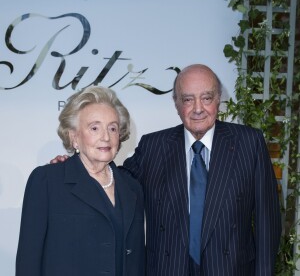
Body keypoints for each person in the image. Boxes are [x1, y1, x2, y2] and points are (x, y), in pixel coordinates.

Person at [52, 64, 282, 275]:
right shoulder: (154, 146)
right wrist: (78, 166)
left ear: (219, 99)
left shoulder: (248, 143)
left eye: (207, 98)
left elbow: (267, 224)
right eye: (188, 100)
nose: (198, 109)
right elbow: (116, 181)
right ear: (176, 104)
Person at [16, 86, 145, 276]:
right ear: (74, 137)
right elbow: (29, 261)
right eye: (94, 128)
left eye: (112, 128)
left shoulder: (132, 187)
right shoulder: (47, 181)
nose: (106, 137)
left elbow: (136, 261)